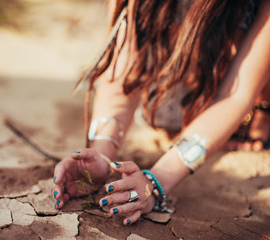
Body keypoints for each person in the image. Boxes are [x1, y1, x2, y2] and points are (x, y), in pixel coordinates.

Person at [52, 0, 270, 225]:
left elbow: (234, 95)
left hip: (240, 83)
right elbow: (123, 76)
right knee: (164, 119)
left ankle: (263, 106)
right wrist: (102, 152)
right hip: (173, 90)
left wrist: (155, 183)